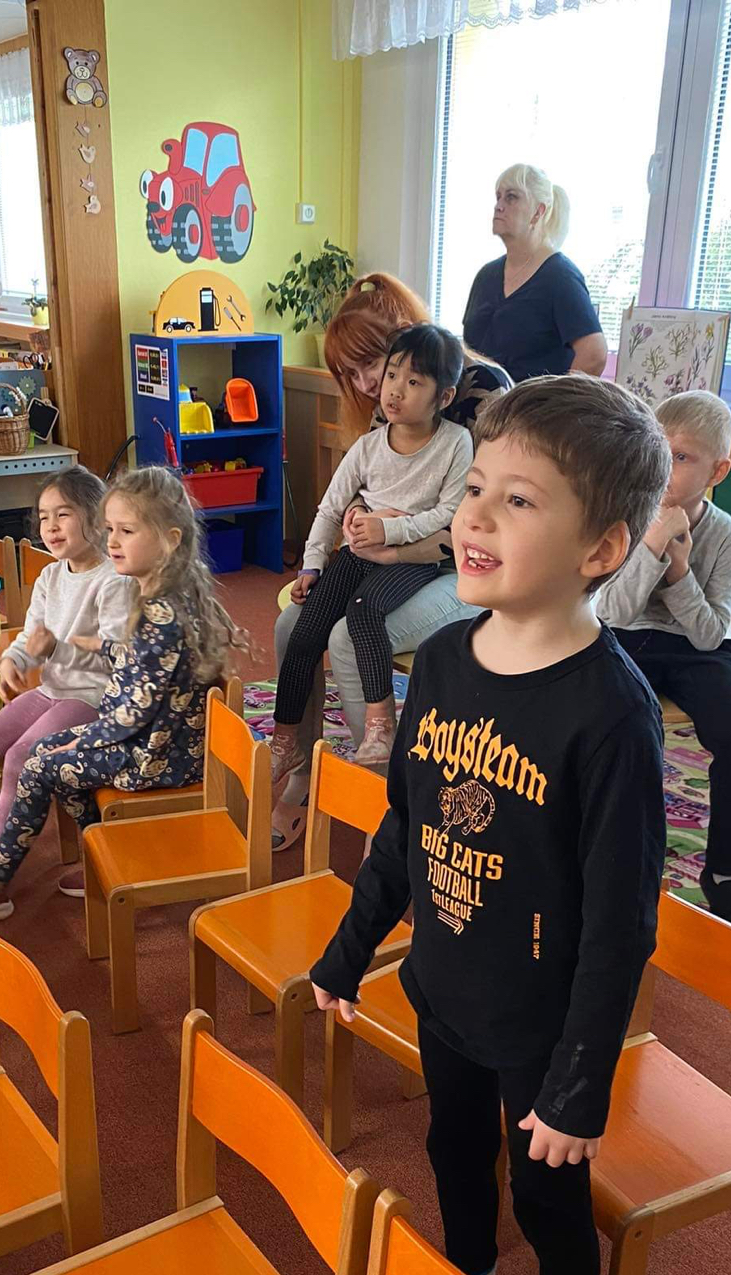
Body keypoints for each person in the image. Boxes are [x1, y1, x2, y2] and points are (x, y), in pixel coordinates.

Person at [311, 375, 670, 1275]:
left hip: (544, 1031)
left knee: (552, 1209)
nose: (475, 515)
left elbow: (621, 924)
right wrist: (349, 949)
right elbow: (405, 831)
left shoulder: (612, 715)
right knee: (453, 1153)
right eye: (475, 488)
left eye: (519, 500)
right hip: (447, 987)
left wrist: (579, 1086)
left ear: (600, 548)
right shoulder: (446, 662)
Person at [0, 467, 244, 923]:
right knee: (44, 758)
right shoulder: (157, 599)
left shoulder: (154, 610)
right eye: (110, 528)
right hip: (151, 739)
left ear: (169, 540)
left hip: (155, 753)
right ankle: (102, 857)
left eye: (125, 531)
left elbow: (132, 710)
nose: (111, 540)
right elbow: (136, 666)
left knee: (38, 762)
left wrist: (83, 738)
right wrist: (83, 651)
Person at [273, 272, 512, 845]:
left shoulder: (482, 399)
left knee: (348, 637)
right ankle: (303, 762)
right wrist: (354, 524)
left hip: (465, 566)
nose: (370, 385)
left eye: (371, 366)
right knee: (290, 625)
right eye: (352, 375)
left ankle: (386, 799)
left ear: (406, 343)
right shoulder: (392, 405)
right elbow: (366, 486)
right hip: (388, 554)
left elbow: (477, 520)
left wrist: (392, 541)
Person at [271, 324, 472, 770]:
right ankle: (286, 741)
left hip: (412, 561)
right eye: (393, 375)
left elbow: (450, 514)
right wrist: (312, 566)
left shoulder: (456, 443)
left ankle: (381, 727)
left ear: (444, 397)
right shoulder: (367, 447)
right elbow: (329, 509)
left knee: (363, 613)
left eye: (414, 382)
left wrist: (389, 530)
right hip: (357, 555)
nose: (394, 390)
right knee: (304, 630)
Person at [0, 466, 135, 889]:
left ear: (97, 519)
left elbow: (117, 656)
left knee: (22, 754)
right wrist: (13, 662)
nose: (51, 527)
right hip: (53, 689)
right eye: (43, 517)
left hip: (92, 698)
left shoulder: (113, 580)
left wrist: (54, 648)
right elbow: (30, 636)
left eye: (63, 514)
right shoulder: (50, 576)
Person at [597, 390, 731, 930]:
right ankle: (620, 859)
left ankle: (725, 874)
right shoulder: (627, 516)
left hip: (694, 648)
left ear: (718, 471)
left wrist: (681, 571)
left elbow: (709, 635)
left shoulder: (725, 534)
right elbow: (613, 612)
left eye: (683, 457)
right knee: (621, 728)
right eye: (661, 452)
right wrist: (650, 546)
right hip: (628, 637)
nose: (667, 468)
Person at [461, 163, 607, 383]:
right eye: (498, 197)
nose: (498, 206)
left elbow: (594, 355)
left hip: (530, 404)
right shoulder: (486, 276)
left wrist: (553, 399)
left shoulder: (560, 277)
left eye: (511, 197)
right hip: (480, 402)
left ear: (538, 212)